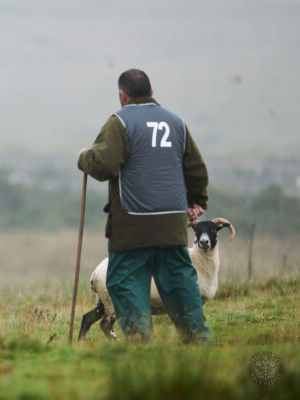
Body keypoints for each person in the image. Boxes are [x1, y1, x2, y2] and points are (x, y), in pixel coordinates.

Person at [77, 68, 210, 344]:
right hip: (172, 227)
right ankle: (198, 341)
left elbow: (103, 165)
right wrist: (197, 201)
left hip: (132, 227)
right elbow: (196, 169)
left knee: (126, 283)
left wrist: (84, 158)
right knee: (180, 283)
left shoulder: (120, 122)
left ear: (122, 96)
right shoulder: (176, 123)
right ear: (151, 93)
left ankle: (141, 344)